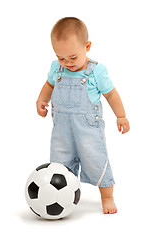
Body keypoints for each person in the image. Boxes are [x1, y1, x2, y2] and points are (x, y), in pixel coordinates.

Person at [36, 17, 130, 214]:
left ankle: (107, 196)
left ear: (87, 46)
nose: (67, 63)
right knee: (60, 164)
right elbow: (49, 85)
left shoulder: (96, 71)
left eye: (72, 57)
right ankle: (64, 197)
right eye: (61, 58)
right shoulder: (57, 68)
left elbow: (111, 94)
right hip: (61, 131)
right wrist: (41, 100)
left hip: (89, 131)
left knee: (96, 160)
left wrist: (120, 116)